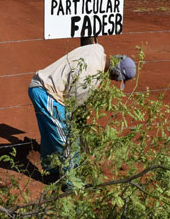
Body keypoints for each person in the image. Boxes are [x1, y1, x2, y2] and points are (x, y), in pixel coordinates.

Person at [28, 43, 136, 177]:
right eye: (116, 78)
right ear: (115, 73)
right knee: (66, 141)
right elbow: (72, 105)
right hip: (49, 93)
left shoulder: (97, 49)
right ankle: (72, 183)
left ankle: (52, 173)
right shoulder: (91, 79)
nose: (113, 81)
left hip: (39, 85)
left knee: (51, 135)